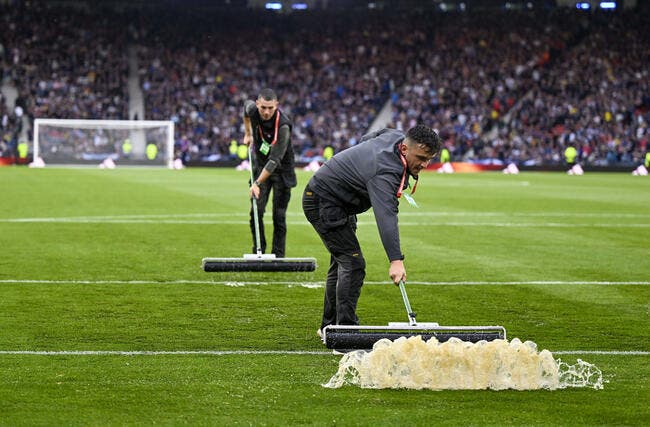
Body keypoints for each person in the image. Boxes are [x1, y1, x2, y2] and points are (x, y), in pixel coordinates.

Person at [302, 125, 441, 336]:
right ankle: (345, 334)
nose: (424, 164)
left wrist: (359, 163)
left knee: (341, 263)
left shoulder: (396, 136)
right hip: (324, 202)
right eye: (421, 157)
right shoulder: (385, 171)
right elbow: (386, 218)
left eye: (429, 158)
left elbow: (372, 135)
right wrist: (396, 260)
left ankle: (329, 328)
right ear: (404, 149)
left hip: (339, 202)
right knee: (352, 263)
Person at [243, 88, 296, 257]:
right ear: (257, 104)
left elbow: (274, 160)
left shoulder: (283, 126)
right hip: (260, 167)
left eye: (270, 108)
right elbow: (245, 108)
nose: (266, 112)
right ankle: (258, 250)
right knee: (255, 212)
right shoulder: (253, 110)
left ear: (276, 106)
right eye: (263, 107)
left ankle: (278, 256)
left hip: (281, 171)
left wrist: (257, 183)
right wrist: (248, 133)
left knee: (278, 216)